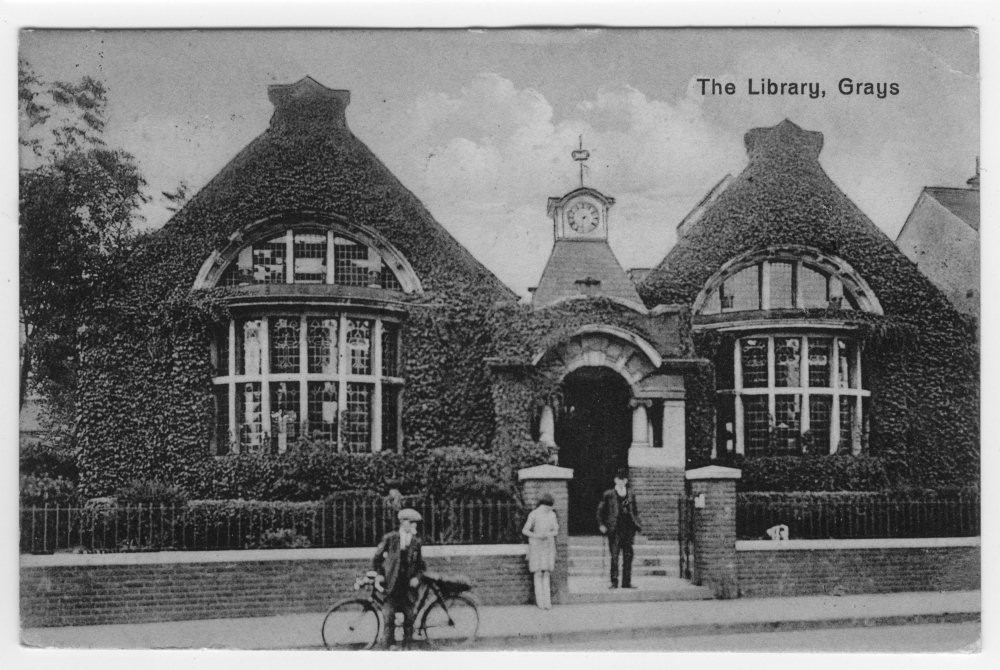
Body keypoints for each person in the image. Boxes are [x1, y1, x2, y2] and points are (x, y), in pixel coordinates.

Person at [373, 507, 426, 649]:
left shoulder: (416, 542)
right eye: (412, 522)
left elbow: (421, 566)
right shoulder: (391, 538)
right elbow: (377, 558)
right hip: (391, 587)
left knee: (409, 619)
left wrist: (417, 578)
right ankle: (388, 648)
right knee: (389, 618)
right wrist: (380, 574)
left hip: (407, 589)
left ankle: (407, 649)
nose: (415, 525)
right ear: (404, 523)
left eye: (416, 523)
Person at [596, 469, 641, 589]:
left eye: (624, 480)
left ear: (626, 481)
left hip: (628, 530)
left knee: (628, 556)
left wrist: (636, 523)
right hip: (614, 530)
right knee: (615, 556)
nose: (621, 482)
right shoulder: (609, 494)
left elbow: (635, 510)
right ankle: (614, 582)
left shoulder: (630, 494)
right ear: (615, 480)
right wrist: (601, 524)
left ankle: (626, 582)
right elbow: (600, 511)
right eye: (619, 479)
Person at [522, 493, 559, 609]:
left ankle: (547, 602)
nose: (548, 509)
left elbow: (556, 530)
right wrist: (536, 535)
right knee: (538, 573)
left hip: (548, 545)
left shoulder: (552, 515)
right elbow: (525, 530)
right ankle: (540, 602)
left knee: (546, 572)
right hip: (537, 546)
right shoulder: (534, 514)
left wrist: (548, 534)